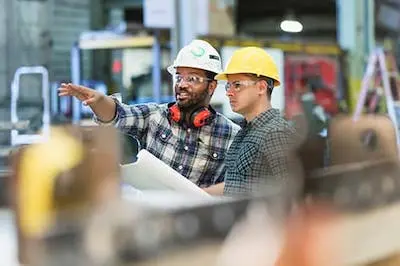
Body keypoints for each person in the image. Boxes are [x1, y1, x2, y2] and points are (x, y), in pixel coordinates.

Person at [59, 39, 240, 188]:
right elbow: (118, 115)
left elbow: (235, 187)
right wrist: (99, 101)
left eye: (192, 78)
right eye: (179, 77)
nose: (182, 84)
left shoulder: (231, 135)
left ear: (212, 86)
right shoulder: (154, 116)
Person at [203, 47, 303, 197]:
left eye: (237, 85)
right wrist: (201, 193)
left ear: (261, 87)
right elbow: (237, 184)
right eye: (228, 85)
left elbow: (293, 193)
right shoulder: (245, 132)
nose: (229, 92)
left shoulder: (276, 134)